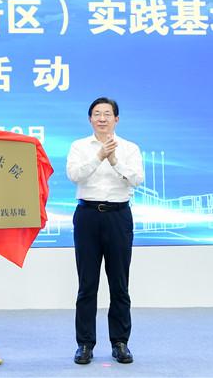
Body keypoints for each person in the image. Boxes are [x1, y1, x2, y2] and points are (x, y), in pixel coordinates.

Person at [66, 97, 144, 365]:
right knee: (87, 284)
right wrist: (99, 156)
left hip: (118, 216)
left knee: (119, 284)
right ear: (90, 119)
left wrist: (114, 161)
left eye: (107, 114)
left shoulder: (130, 148)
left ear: (116, 119)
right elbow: (74, 175)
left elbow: (137, 179)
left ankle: (120, 342)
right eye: (97, 114)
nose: (102, 118)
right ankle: (85, 344)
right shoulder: (79, 147)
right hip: (87, 216)